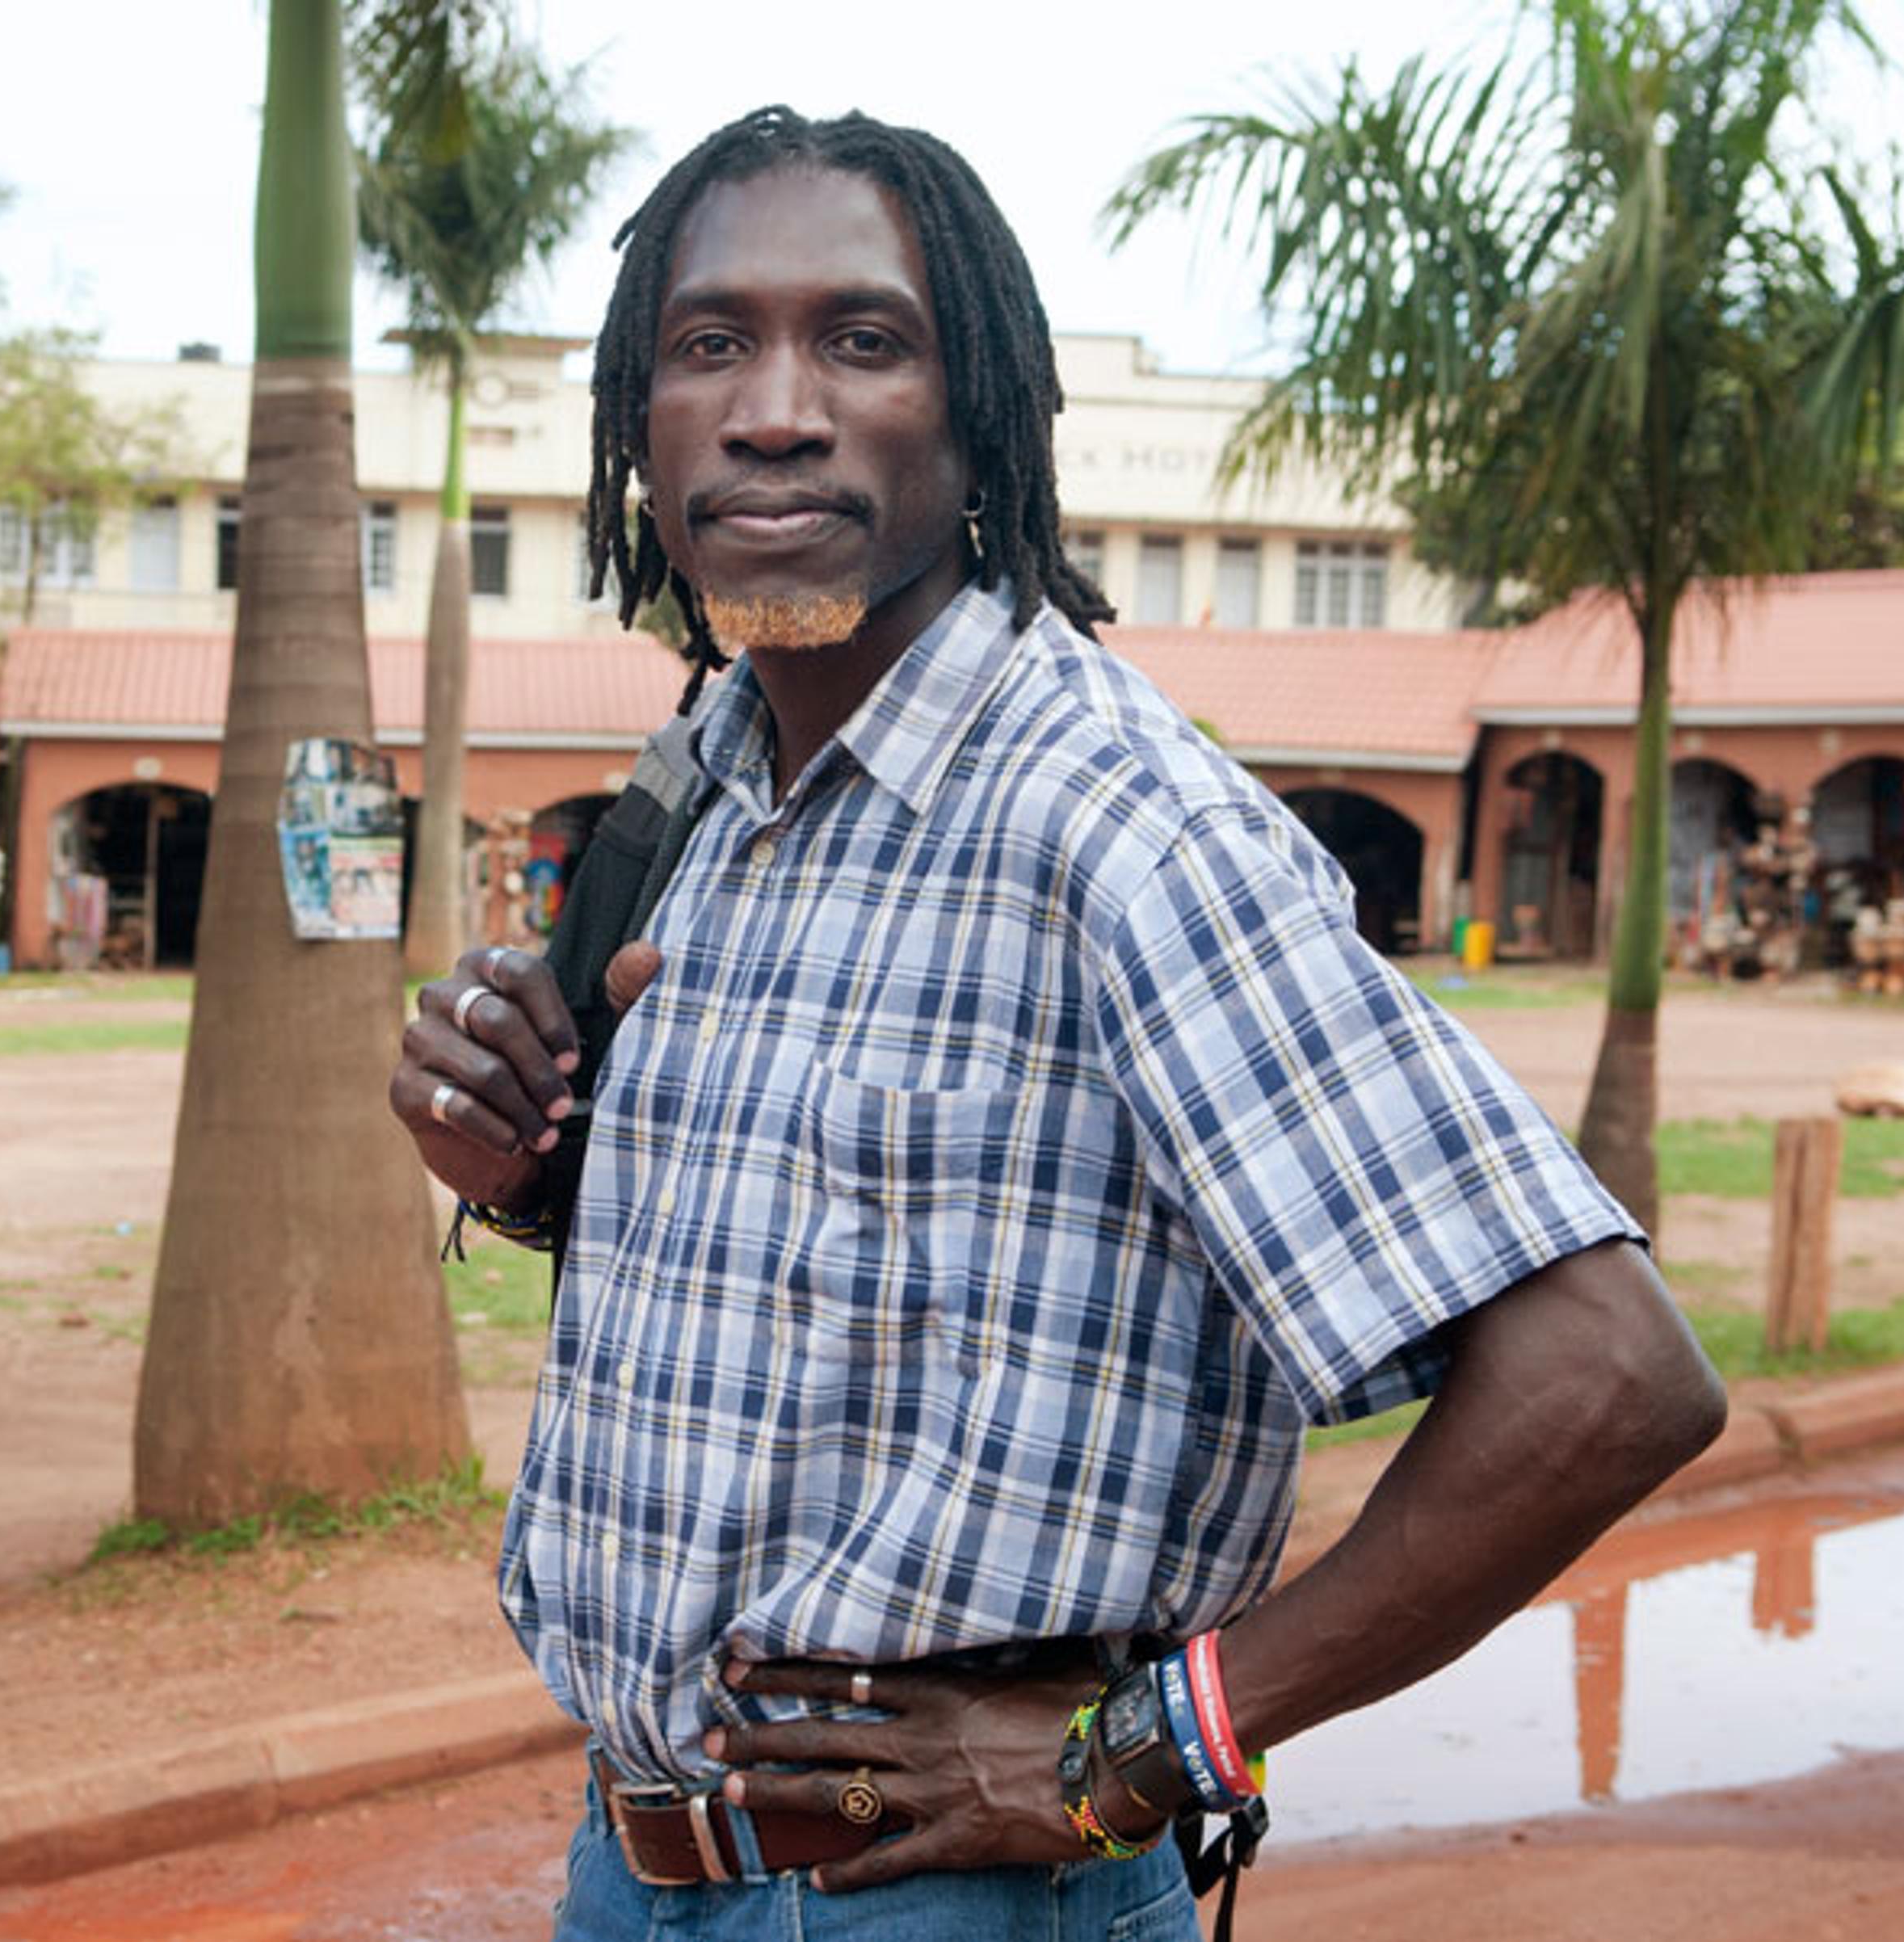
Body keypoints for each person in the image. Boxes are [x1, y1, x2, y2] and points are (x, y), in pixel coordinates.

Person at [388, 107, 1725, 1940]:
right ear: (642, 413)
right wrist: (522, 1162)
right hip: (635, 1866)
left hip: (945, 1902)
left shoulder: (1116, 826)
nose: (776, 403)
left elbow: (1610, 1372)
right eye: (713, 343)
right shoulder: (702, 781)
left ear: (983, 413)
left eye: (864, 340)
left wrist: (1142, 1749)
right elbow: (811, 1262)